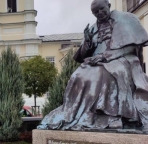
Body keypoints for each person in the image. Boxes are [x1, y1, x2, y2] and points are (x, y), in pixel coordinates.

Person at [38, 0, 148, 131]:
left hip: (123, 59)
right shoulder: (93, 28)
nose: (100, 13)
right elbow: (82, 56)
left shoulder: (126, 18)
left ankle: (113, 117)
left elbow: (132, 47)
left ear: (109, 6)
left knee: (108, 74)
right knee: (77, 75)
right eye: (95, 12)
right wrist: (87, 43)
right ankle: (81, 116)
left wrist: (106, 56)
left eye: (102, 9)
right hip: (98, 62)